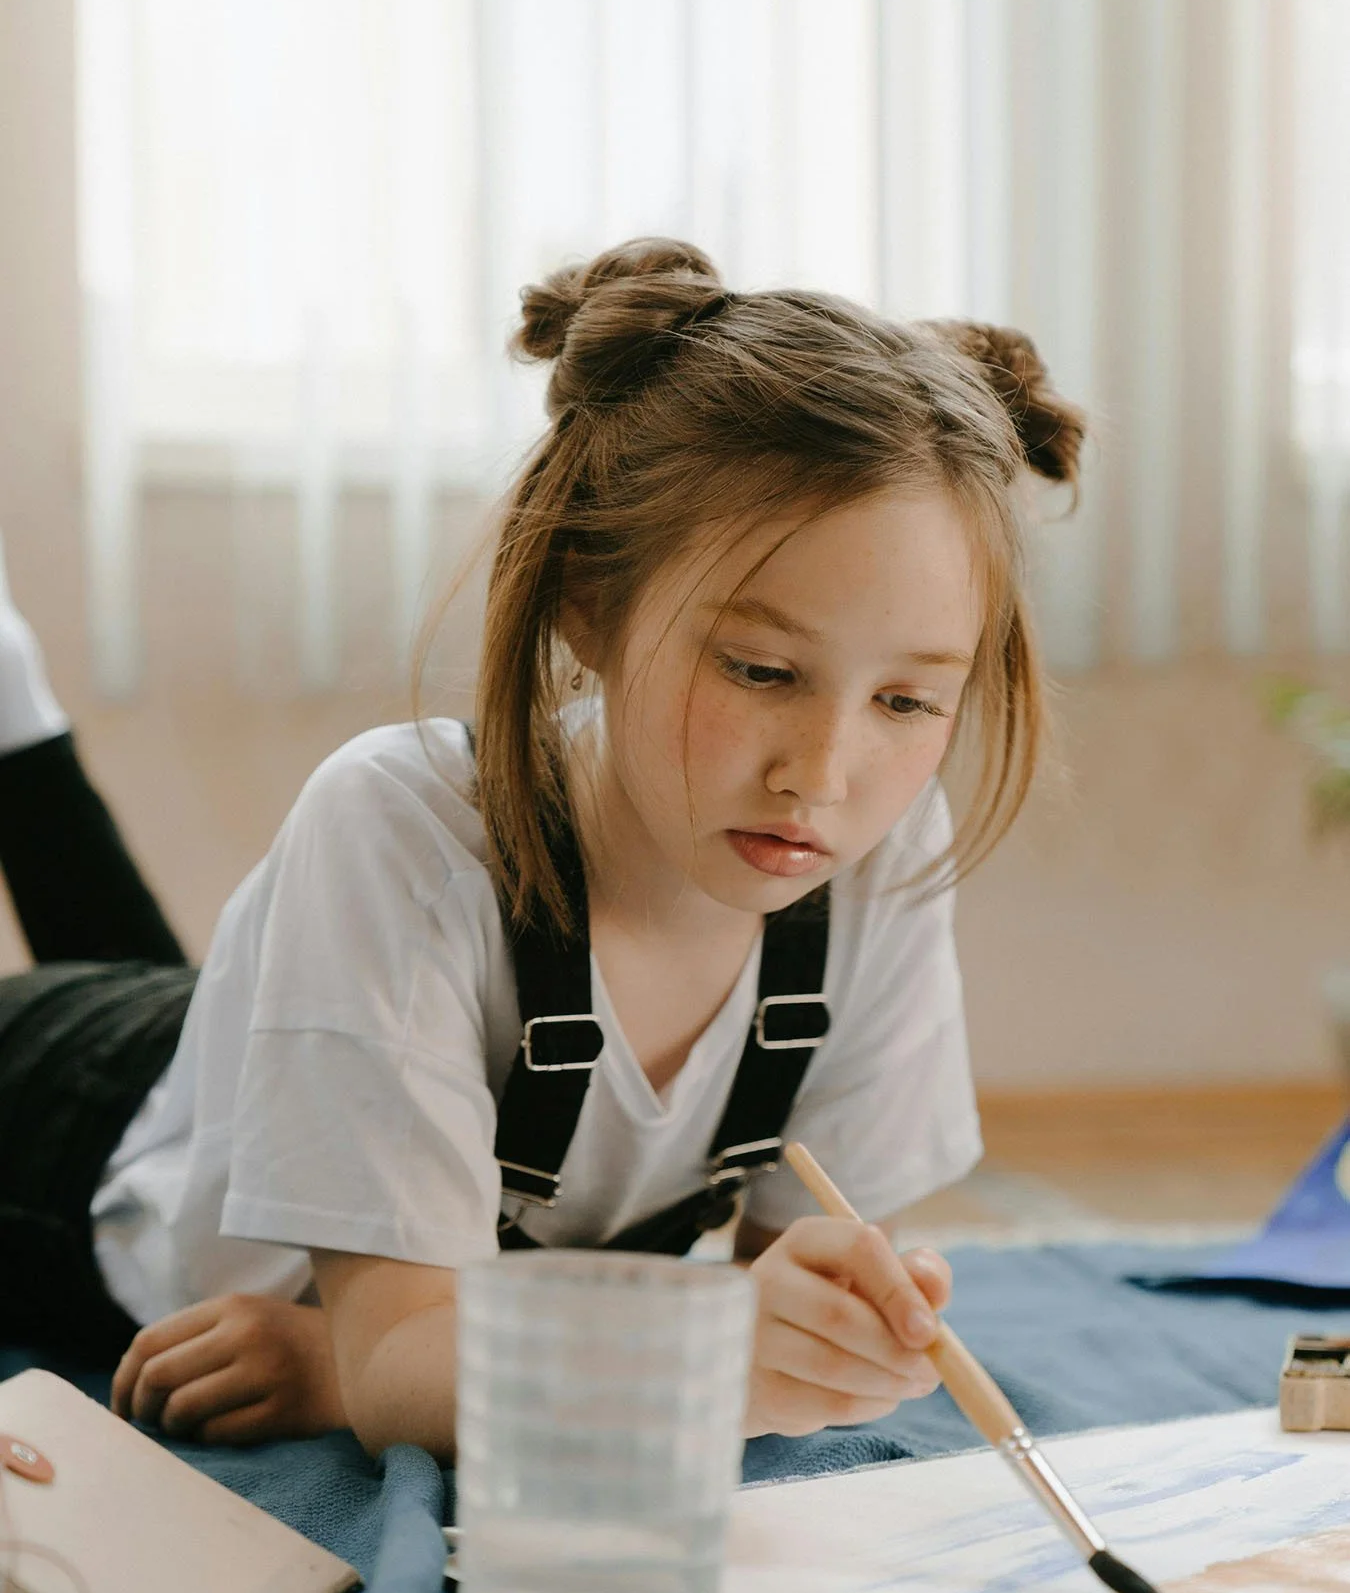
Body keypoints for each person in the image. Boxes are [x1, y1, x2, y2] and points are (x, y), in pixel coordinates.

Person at [0, 240, 1084, 1460]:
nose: (822, 777)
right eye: (762, 671)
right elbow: (407, 1363)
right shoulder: (398, 827)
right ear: (587, 601)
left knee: (204, 1009)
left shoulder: (879, 858)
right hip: (64, 1133)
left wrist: (825, 1330)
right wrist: (377, 1367)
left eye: (906, 702)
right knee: (153, 1039)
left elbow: (782, 1275)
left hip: (275, 1065)